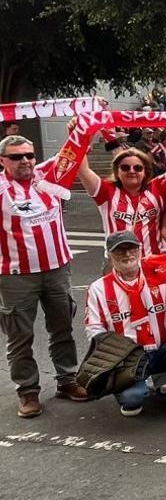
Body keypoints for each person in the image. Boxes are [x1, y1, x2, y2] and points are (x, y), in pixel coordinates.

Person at [0, 135, 87, 417]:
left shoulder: (49, 175)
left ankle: (67, 379)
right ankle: (28, 391)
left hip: (57, 268)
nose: (25, 160)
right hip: (15, 275)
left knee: (62, 327)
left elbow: (75, 148)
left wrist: (83, 121)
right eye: (16, 157)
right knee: (20, 335)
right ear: (3, 161)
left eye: (29, 155)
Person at [84, 232, 166, 419]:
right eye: (120, 250)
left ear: (140, 250)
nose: (127, 255)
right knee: (132, 402)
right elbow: (94, 330)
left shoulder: (157, 275)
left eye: (131, 248)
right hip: (129, 358)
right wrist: (113, 359)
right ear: (109, 254)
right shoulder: (98, 288)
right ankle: (137, 387)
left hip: (162, 348)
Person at [76, 146, 166, 255]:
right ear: (117, 170)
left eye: (138, 168)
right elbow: (82, 170)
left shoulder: (157, 188)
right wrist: (79, 139)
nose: (132, 171)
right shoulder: (106, 191)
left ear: (145, 171)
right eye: (125, 167)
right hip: (117, 263)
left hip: (151, 261)